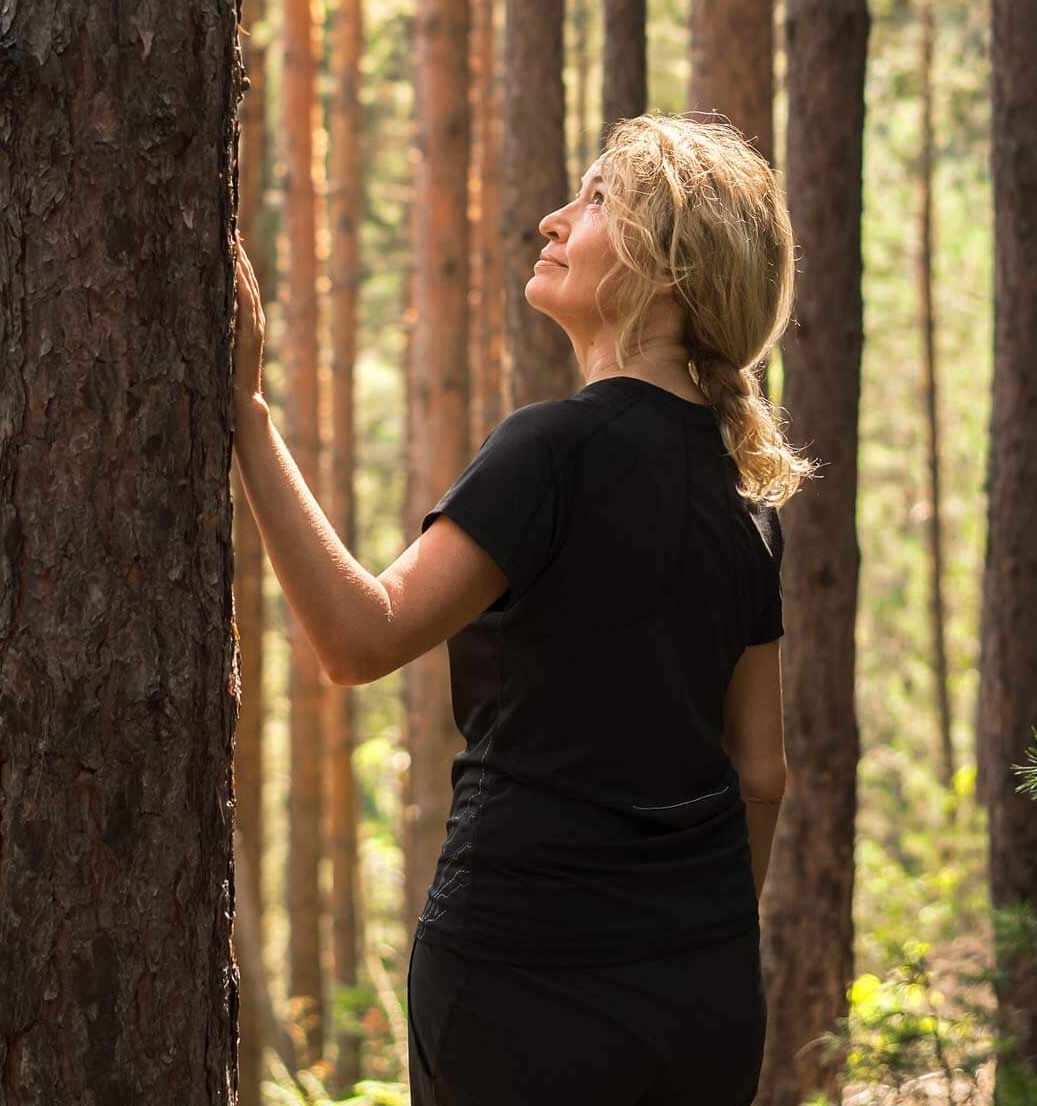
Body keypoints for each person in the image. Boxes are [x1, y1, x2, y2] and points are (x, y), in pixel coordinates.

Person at [231, 113, 805, 1104]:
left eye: (593, 200)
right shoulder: (745, 502)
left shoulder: (553, 451)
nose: (551, 218)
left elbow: (359, 638)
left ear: (665, 265)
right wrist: (688, 940)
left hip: (522, 979)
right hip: (702, 993)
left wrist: (245, 411)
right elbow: (760, 774)